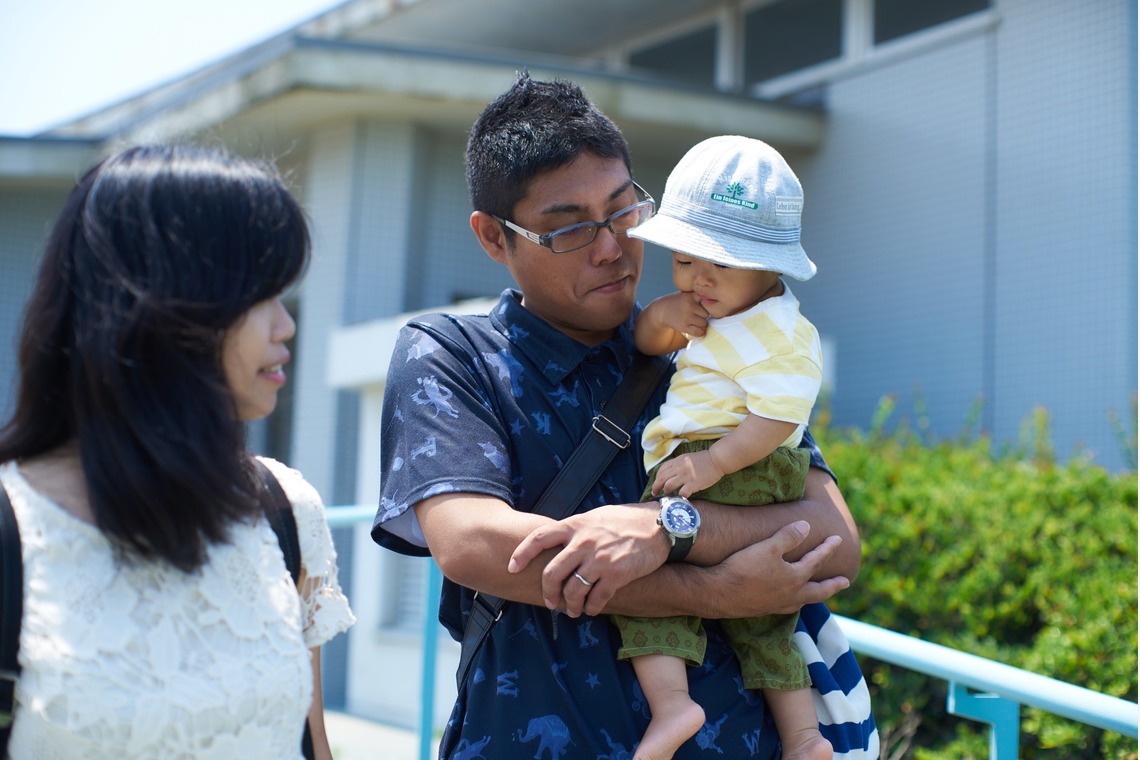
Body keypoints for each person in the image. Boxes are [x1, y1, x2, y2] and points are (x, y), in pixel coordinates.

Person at [372, 73, 877, 760]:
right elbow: (475, 545)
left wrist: (665, 527)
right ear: (494, 237)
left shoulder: (706, 346)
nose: (612, 246)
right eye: (572, 228)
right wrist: (714, 591)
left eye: (624, 212)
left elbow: (833, 538)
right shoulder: (453, 355)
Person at [0, 145, 355, 759]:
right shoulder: (14, 528)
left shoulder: (285, 509)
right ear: (162, 306)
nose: (285, 324)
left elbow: (310, 744)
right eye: (259, 294)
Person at [587, 134, 831, 760]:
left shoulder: (782, 332)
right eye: (686, 262)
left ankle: (690, 710)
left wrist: (711, 462)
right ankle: (790, 736)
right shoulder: (708, 311)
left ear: (770, 265)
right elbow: (645, 343)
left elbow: (779, 419)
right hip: (710, 460)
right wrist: (664, 311)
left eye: (719, 264)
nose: (700, 280)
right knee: (761, 620)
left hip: (737, 460)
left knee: (662, 587)